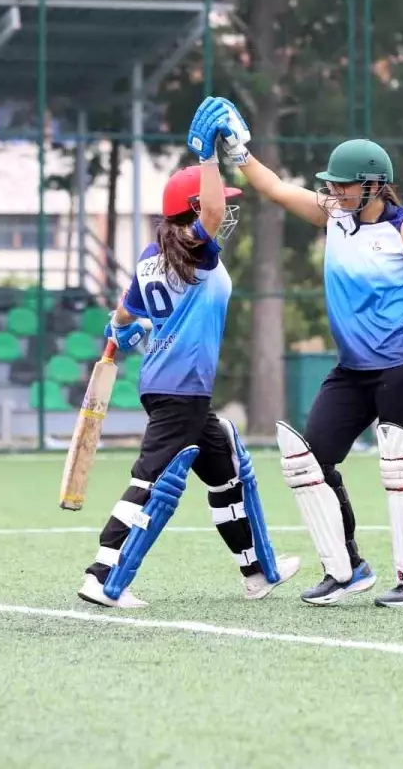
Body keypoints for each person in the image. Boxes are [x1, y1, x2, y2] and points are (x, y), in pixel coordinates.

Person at [213, 98, 403, 608]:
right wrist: (238, 152)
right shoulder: (335, 215)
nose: (332, 192)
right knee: (309, 459)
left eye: (343, 185)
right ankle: (347, 569)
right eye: (330, 185)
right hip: (353, 371)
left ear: (373, 186)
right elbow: (275, 189)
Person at [76, 98, 300, 609]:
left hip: (175, 389)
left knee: (227, 464)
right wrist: (206, 157)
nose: (226, 209)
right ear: (195, 210)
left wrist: (119, 333)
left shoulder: (155, 254)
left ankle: (258, 570)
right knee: (153, 480)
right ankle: (103, 574)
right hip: (177, 391)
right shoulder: (195, 248)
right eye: (215, 202)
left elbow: (126, 310)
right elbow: (216, 210)